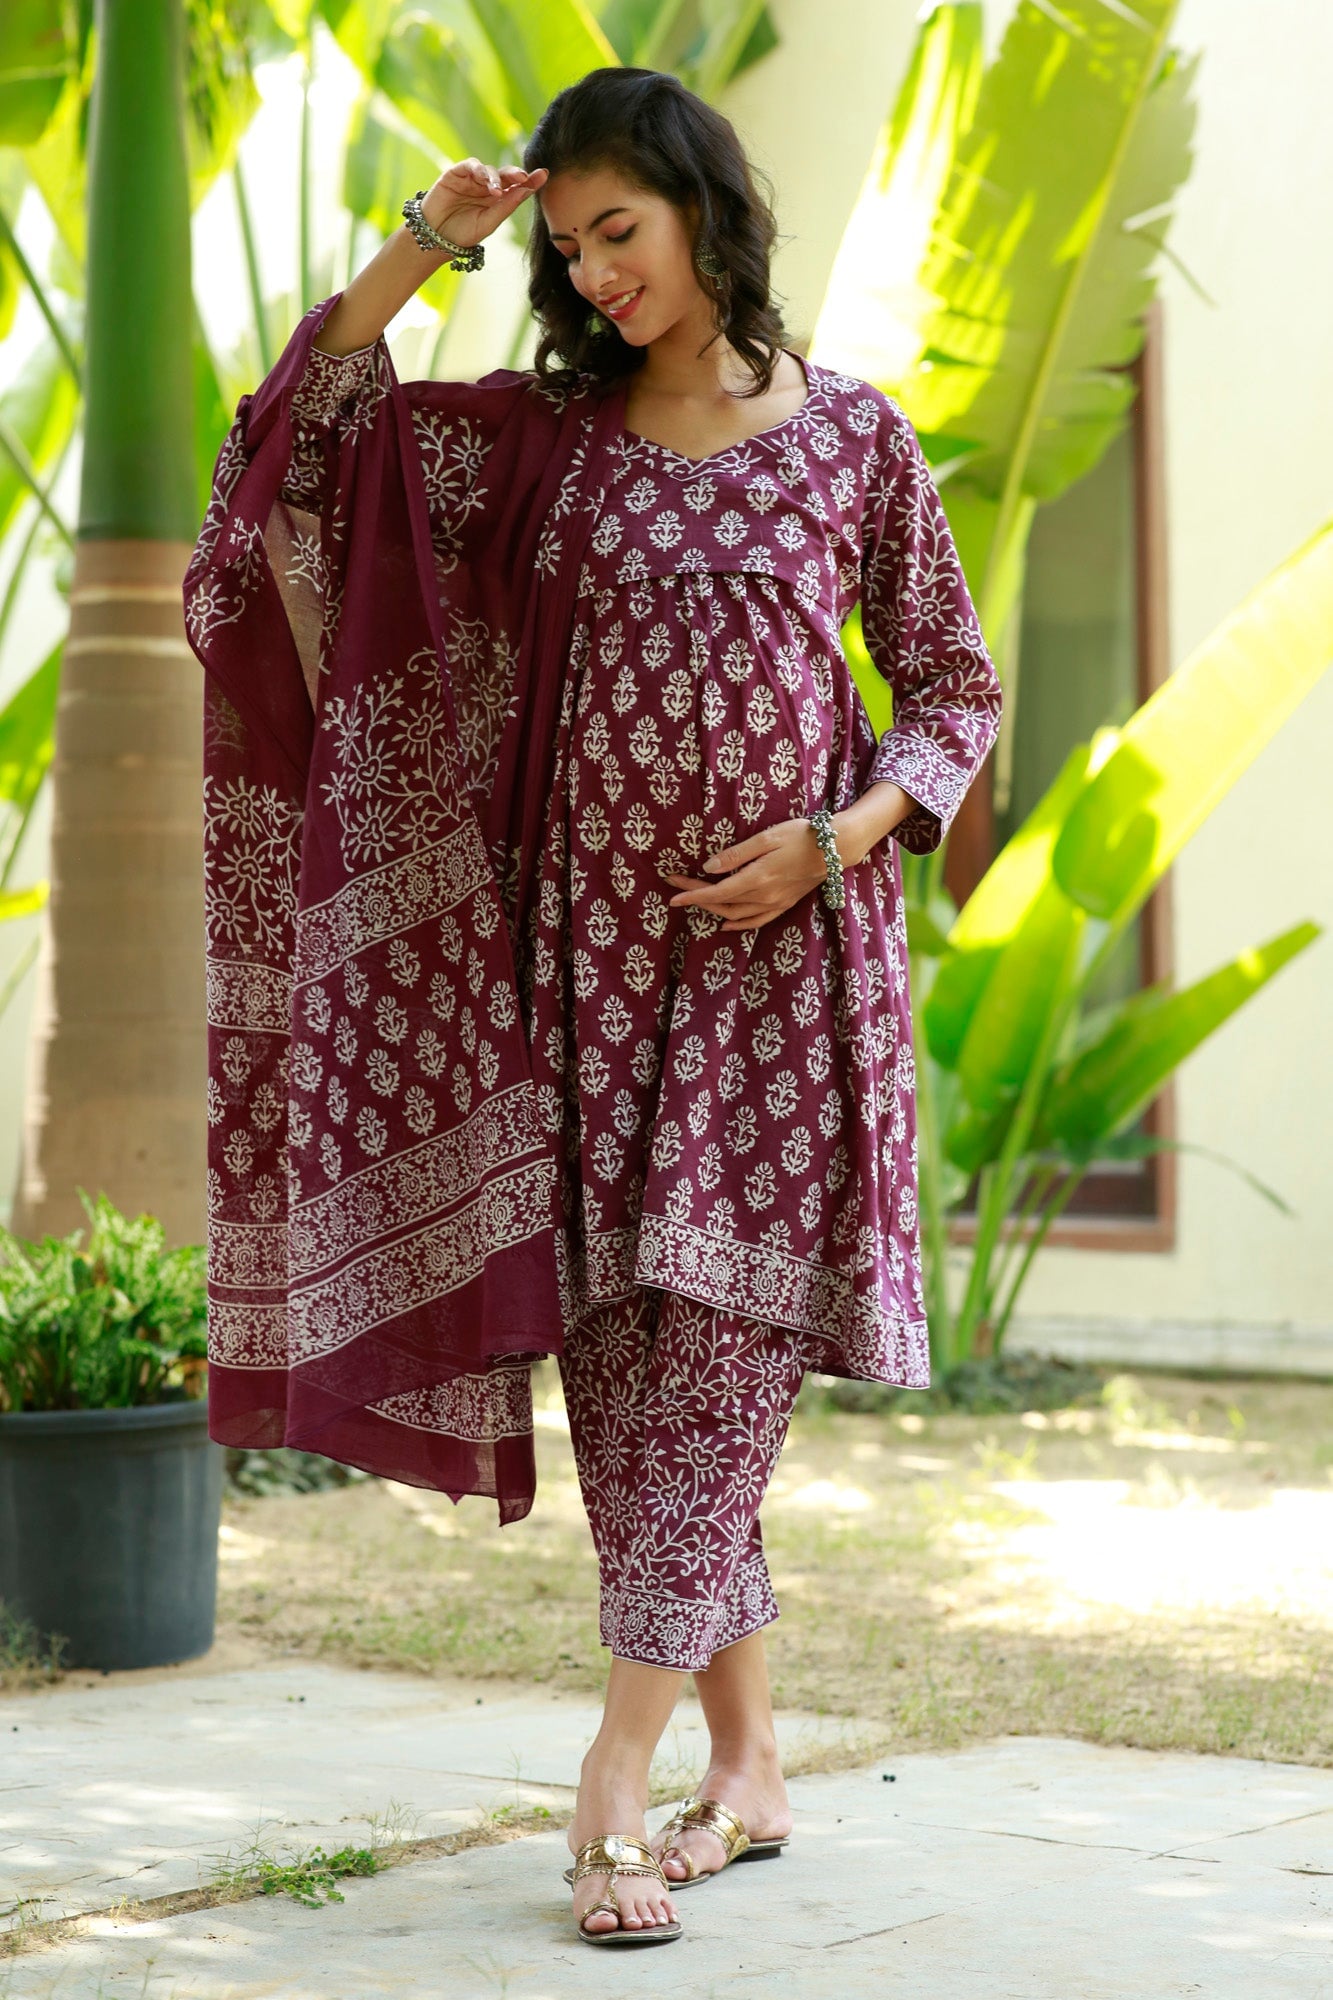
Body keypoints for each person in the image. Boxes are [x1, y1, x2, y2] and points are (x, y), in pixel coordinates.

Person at [184, 66, 1001, 1950]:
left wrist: (835, 838)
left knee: (716, 1374)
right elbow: (306, 440)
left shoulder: (858, 441)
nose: (596, 273)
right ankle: (755, 1770)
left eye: (617, 231)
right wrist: (430, 242)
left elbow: (951, 688)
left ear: (708, 210)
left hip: (787, 984)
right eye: (568, 249)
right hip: (587, 987)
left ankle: (613, 1783)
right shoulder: (542, 441)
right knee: (641, 1404)